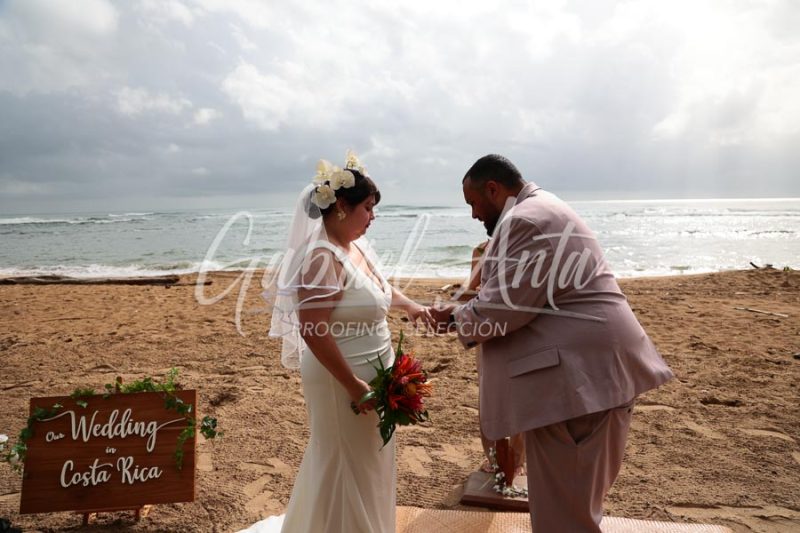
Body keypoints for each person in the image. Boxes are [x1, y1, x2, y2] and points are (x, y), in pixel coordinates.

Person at [430, 154, 673, 532]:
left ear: (493, 189)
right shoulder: (541, 209)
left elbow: (504, 307)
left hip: (579, 387)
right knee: (571, 509)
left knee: (565, 518)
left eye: (473, 203)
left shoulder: (524, 220)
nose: (474, 215)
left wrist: (450, 318)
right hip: (590, 382)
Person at [243, 152, 433, 533]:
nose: (373, 217)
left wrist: (410, 306)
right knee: (342, 462)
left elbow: (376, 290)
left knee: (368, 463)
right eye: (368, 208)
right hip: (340, 381)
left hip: (373, 375)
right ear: (342, 207)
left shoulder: (356, 248)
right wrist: (353, 385)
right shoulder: (319, 257)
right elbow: (312, 328)